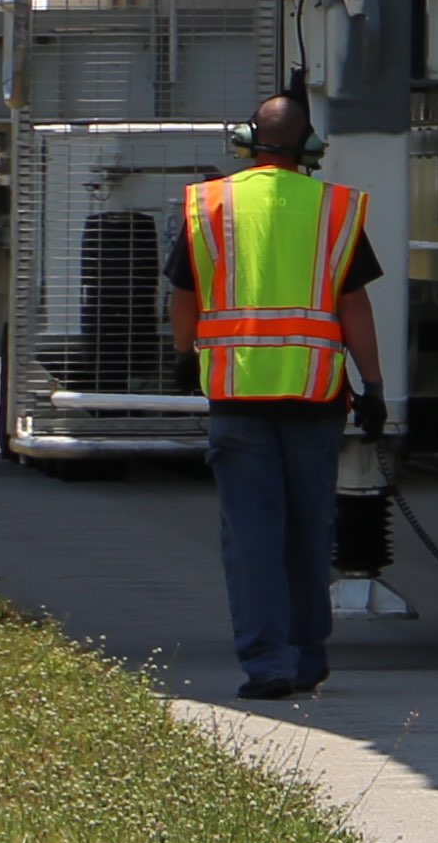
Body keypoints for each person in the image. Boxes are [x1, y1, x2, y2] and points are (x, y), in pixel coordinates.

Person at [159, 90, 385, 703]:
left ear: (247, 141)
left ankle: (268, 665)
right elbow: (355, 305)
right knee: (310, 531)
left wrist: (183, 356)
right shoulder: (333, 208)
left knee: (252, 538)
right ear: (309, 146)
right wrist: (373, 385)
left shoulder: (210, 204)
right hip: (315, 397)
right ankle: (307, 655)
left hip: (237, 398)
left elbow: (185, 294)